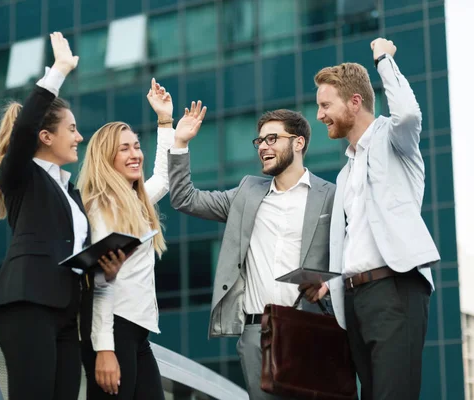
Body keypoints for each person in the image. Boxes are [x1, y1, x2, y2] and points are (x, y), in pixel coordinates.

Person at [0, 32, 126, 400]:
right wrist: (59, 70)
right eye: (72, 129)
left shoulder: (72, 194)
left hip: (67, 313)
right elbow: (24, 129)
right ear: (46, 137)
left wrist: (103, 268)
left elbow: (70, 254)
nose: (79, 137)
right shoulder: (21, 176)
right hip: (28, 305)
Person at [303, 38, 440, 400]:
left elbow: (409, 113)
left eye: (325, 105)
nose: (320, 115)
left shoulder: (396, 140)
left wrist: (383, 58)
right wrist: (329, 287)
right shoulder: (345, 174)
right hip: (354, 299)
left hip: (395, 288)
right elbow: (356, 240)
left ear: (355, 101)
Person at [168, 105, 335, 399]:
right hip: (258, 333)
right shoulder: (247, 192)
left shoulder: (330, 196)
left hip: (311, 327)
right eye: (260, 141)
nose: (263, 147)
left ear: (299, 142)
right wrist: (180, 143)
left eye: (273, 139)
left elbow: (353, 255)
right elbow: (185, 198)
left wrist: (328, 286)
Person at [77, 79, 206, 399]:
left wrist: (166, 122)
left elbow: (163, 177)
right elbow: (102, 281)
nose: (136, 153)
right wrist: (104, 348)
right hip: (115, 332)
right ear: (106, 158)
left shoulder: (131, 203)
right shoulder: (102, 208)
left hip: (136, 333)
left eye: (136, 145)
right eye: (125, 149)